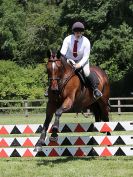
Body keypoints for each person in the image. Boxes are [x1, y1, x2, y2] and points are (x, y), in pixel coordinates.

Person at [60, 21, 102, 99]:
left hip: (82, 60)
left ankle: (95, 89)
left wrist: (79, 64)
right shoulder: (67, 39)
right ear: (74, 31)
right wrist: (66, 60)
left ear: (82, 32)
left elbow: (86, 56)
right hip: (69, 60)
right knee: (57, 70)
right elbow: (63, 52)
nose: (78, 33)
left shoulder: (86, 41)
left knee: (86, 72)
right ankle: (51, 89)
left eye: (80, 31)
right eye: (76, 31)